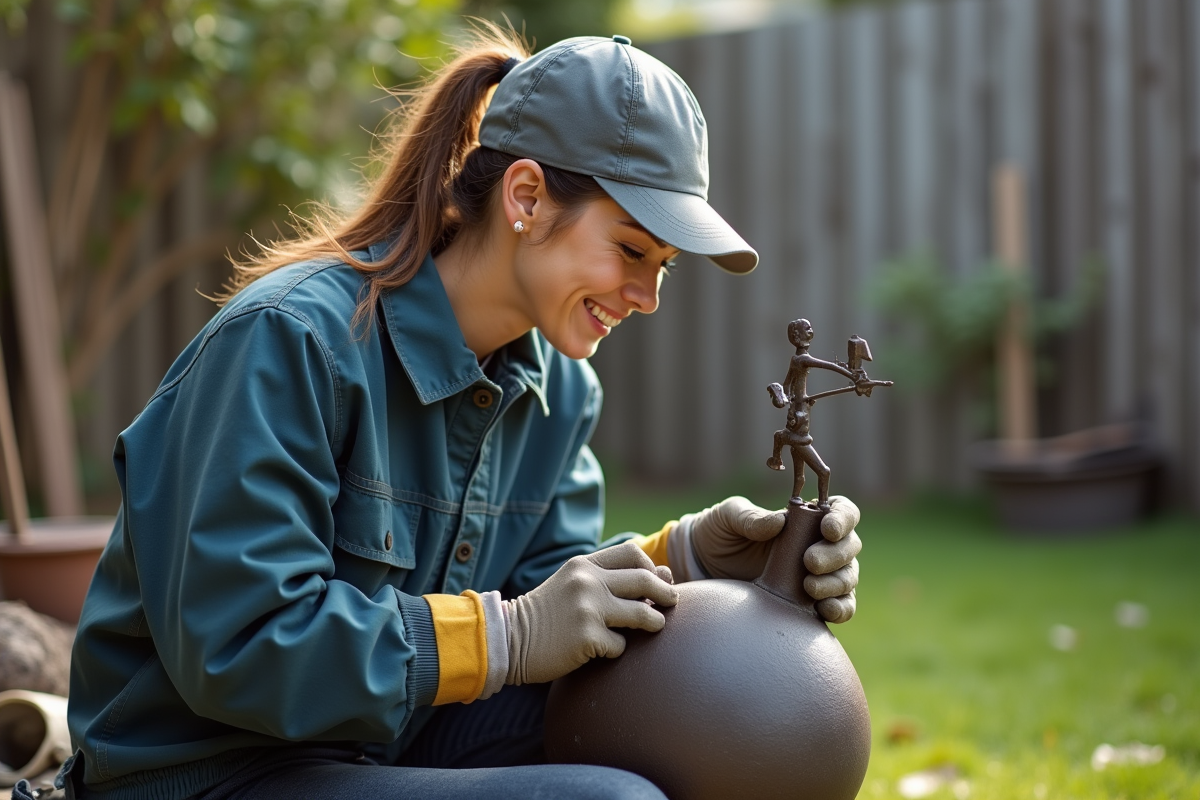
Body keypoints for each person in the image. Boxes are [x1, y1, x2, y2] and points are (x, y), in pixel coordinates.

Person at [47, 27, 864, 800]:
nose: (647, 297)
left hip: (386, 747)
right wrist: (504, 637)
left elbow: (548, 612)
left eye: (665, 268)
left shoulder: (559, 392)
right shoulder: (290, 341)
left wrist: (686, 562)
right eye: (630, 249)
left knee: (684, 740)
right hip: (210, 772)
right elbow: (240, 648)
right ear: (527, 197)